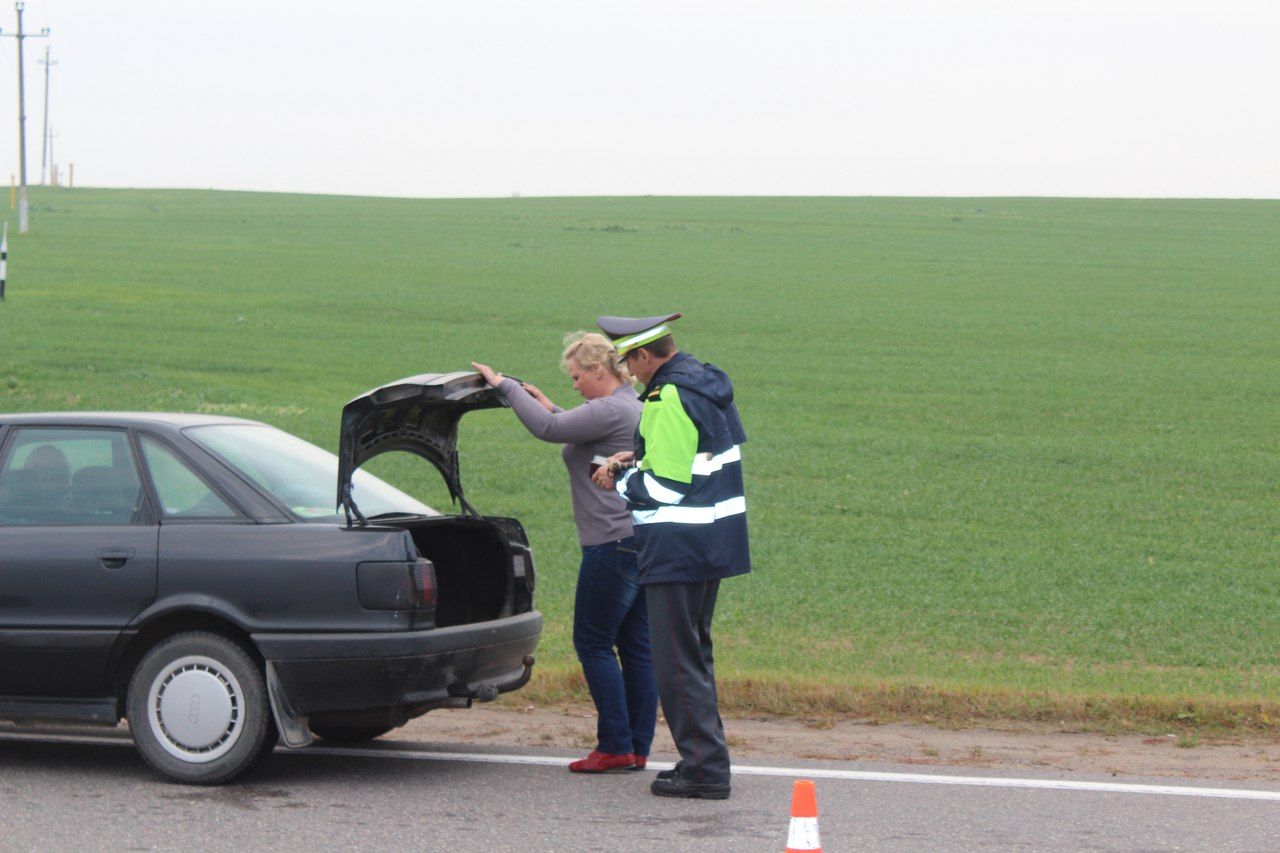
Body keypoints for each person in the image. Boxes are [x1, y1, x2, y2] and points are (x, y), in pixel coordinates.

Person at [471, 332, 657, 773]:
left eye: (577, 377)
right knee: (636, 647)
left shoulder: (609, 408)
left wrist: (506, 387)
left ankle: (614, 745)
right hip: (639, 540)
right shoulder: (631, 405)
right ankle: (636, 746)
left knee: (592, 642)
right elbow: (570, 423)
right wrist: (547, 403)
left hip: (611, 544)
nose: (574, 386)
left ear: (598, 372)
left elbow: (550, 430)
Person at [591, 312, 750, 800]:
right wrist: (634, 460)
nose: (629, 373)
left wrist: (616, 477)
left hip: (677, 546)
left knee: (676, 663)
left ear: (644, 355)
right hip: (711, 543)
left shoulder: (666, 399)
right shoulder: (705, 384)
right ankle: (707, 760)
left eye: (629, 363)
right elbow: (691, 461)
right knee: (694, 656)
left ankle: (703, 770)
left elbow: (667, 486)